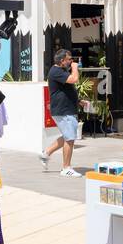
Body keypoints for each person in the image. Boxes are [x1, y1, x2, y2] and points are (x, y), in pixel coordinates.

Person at [41, 48, 81, 177]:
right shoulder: (56, 71)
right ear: (62, 60)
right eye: (69, 59)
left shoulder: (61, 70)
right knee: (70, 138)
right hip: (63, 110)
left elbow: (65, 89)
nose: (71, 61)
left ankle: (46, 154)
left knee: (66, 136)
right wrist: (75, 67)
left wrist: (79, 100)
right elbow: (74, 79)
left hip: (66, 108)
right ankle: (66, 168)